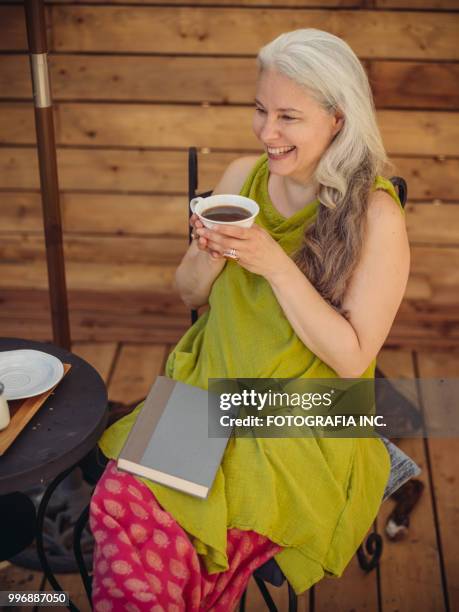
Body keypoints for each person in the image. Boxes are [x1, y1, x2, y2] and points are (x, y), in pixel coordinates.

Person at [89, 28, 410, 611]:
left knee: (211, 523)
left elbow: (352, 357)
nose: (267, 132)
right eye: (261, 109)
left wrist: (276, 266)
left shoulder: (376, 216)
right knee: (123, 500)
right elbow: (186, 291)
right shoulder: (242, 178)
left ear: (337, 118)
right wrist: (206, 253)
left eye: (288, 116)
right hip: (208, 385)